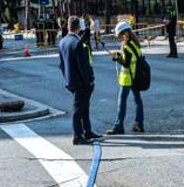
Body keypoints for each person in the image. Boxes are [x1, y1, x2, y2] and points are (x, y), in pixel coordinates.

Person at [58, 16, 99, 145]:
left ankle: (87, 131)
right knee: (78, 108)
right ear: (78, 27)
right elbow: (84, 66)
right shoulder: (78, 43)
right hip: (81, 82)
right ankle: (77, 135)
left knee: (83, 106)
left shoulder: (62, 42)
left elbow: (61, 64)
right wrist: (89, 80)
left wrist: (67, 78)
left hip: (71, 80)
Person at [108, 21, 144, 134]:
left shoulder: (126, 46)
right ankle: (139, 124)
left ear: (124, 33)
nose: (119, 38)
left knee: (121, 102)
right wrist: (119, 55)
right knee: (138, 100)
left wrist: (115, 58)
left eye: (119, 35)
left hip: (127, 79)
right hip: (136, 77)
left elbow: (126, 63)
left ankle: (118, 126)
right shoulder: (135, 44)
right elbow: (131, 58)